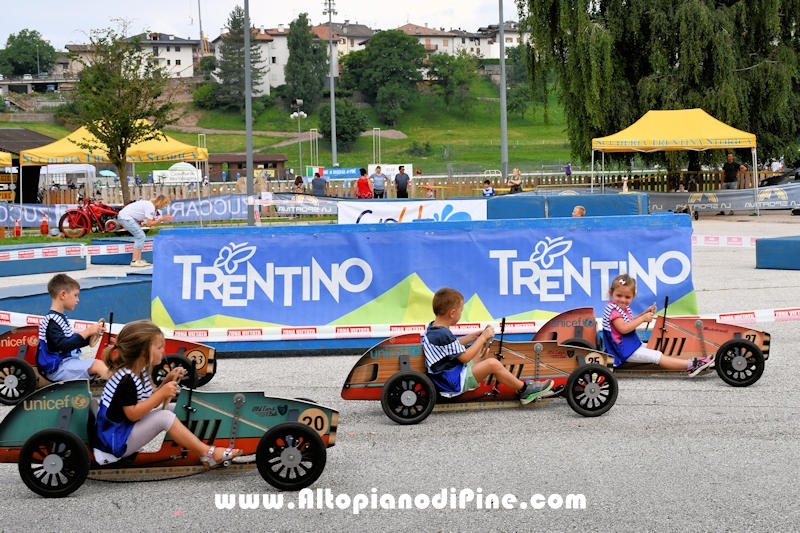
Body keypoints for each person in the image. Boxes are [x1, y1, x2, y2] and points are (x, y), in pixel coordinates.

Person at [93, 320, 243, 466]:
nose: (163, 351)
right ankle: (207, 453)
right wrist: (161, 393)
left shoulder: (139, 371)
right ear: (143, 353)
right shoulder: (126, 380)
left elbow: (150, 402)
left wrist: (167, 379)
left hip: (125, 430)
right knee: (164, 417)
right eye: (159, 348)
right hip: (115, 441)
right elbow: (133, 414)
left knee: (176, 408)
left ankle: (200, 446)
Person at [422, 288, 554, 404]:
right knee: (493, 363)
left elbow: (450, 347)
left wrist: (472, 337)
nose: (461, 314)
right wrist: (483, 337)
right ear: (452, 313)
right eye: (461, 311)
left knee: (483, 350)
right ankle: (525, 390)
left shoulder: (433, 328)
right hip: (452, 382)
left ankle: (510, 382)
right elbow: (465, 358)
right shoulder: (443, 334)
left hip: (447, 375)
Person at [603, 274, 714, 376]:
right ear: (611, 293)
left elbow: (627, 321)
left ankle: (689, 361)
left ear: (633, 296)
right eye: (619, 295)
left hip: (629, 346)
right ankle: (691, 365)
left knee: (655, 347)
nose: (623, 300)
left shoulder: (618, 308)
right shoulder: (614, 311)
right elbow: (623, 328)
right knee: (656, 356)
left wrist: (643, 314)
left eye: (627, 297)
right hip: (622, 351)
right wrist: (642, 319)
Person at [37, 274, 108, 383]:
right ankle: (122, 385)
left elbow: (70, 343)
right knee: (98, 365)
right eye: (75, 295)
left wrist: (90, 336)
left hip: (64, 363)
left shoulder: (59, 318)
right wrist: (87, 332)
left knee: (100, 363)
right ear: (63, 294)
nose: (78, 300)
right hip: (57, 368)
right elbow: (64, 346)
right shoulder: (52, 321)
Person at [117, 194, 174, 268]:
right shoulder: (150, 207)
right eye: (165, 205)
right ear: (161, 203)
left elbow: (152, 221)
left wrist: (163, 218)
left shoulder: (153, 208)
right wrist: (162, 219)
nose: (165, 207)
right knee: (140, 236)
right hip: (125, 217)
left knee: (140, 236)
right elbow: (149, 224)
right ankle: (135, 261)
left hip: (127, 217)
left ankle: (138, 260)